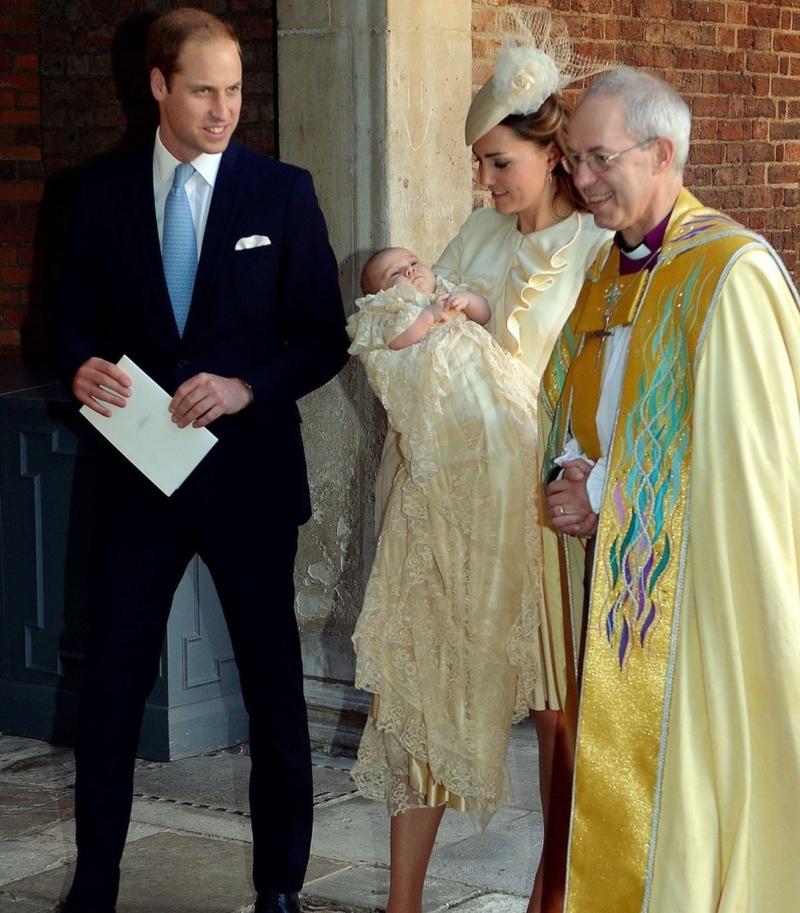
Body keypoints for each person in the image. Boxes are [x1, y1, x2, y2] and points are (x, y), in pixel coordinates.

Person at [57, 9, 348, 913]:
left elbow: (322, 337)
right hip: (132, 483)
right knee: (108, 690)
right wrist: (74, 364)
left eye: (234, 91)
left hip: (249, 482)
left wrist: (247, 386)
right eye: (203, 91)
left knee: (273, 696)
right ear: (157, 85)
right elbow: (53, 326)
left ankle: (280, 892)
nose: (224, 110)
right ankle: (94, 887)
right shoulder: (90, 195)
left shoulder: (282, 191)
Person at [356, 8, 611, 913]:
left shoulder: (594, 249)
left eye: (498, 161)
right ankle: (404, 903)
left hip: (543, 516)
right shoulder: (474, 233)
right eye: (479, 163)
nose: (484, 178)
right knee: (422, 696)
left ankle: (554, 895)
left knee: (559, 722)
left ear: (552, 154)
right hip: (454, 503)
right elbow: (409, 338)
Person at [541, 66, 800, 912]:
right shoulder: (604, 271)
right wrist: (568, 469)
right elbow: (566, 398)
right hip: (620, 581)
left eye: (598, 158)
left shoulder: (733, 272)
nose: (580, 180)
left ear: (662, 152)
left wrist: (609, 490)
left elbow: (749, 460)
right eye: (572, 159)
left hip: (701, 600)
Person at [349, 244, 543, 839]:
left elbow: (489, 317)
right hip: (449, 467)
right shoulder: (386, 315)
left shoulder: (452, 289)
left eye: (413, 264)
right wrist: (431, 315)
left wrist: (470, 304)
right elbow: (394, 346)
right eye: (392, 273)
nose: (408, 273)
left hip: (506, 465)